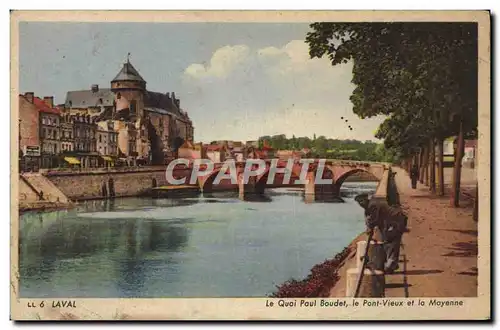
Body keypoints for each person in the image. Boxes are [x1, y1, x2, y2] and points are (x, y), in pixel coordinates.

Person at [354, 193, 408, 273]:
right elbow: (369, 219)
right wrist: (369, 227)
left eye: (362, 201)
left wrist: (369, 228)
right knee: (387, 241)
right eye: (359, 202)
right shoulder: (369, 207)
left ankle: (390, 266)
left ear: (366, 199)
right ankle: (392, 264)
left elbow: (374, 220)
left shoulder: (372, 206)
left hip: (396, 221)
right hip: (390, 222)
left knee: (391, 243)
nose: (361, 204)